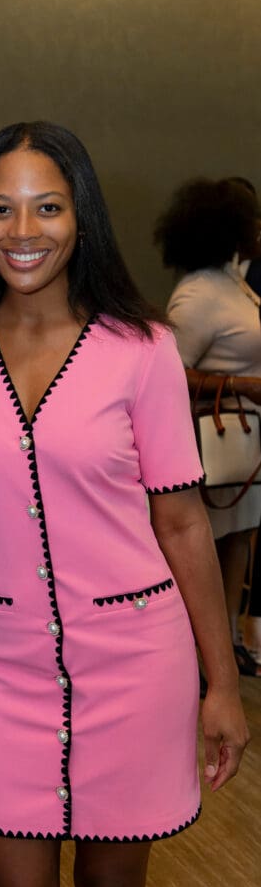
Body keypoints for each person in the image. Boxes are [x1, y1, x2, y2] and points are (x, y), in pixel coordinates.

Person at [0, 122, 249, 887]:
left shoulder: (140, 350)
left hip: (134, 660)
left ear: (81, 218)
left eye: (46, 207)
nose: (22, 230)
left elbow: (179, 522)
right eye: (1, 209)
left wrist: (221, 685)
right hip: (0, 666)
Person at [156, 177, 261, 676]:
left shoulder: (232, 281)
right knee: (209, 539)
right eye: (251, 219)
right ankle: (200, 652)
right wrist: (240, 387)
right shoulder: (198, 293)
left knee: (239, 535)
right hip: (212, 437)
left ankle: (229, 644)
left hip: (243, 441)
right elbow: (168, 374)